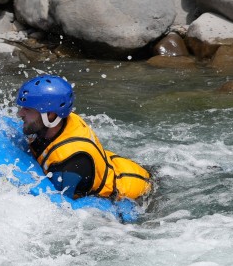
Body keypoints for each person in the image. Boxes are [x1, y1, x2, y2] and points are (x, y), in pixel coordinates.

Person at [15, 74, 152, 202]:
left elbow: (61, 207)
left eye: (28, 109)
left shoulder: (70, 163)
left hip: (135, 192)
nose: (20, 113)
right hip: (122, 168)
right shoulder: (58, 121)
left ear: (50, 115)